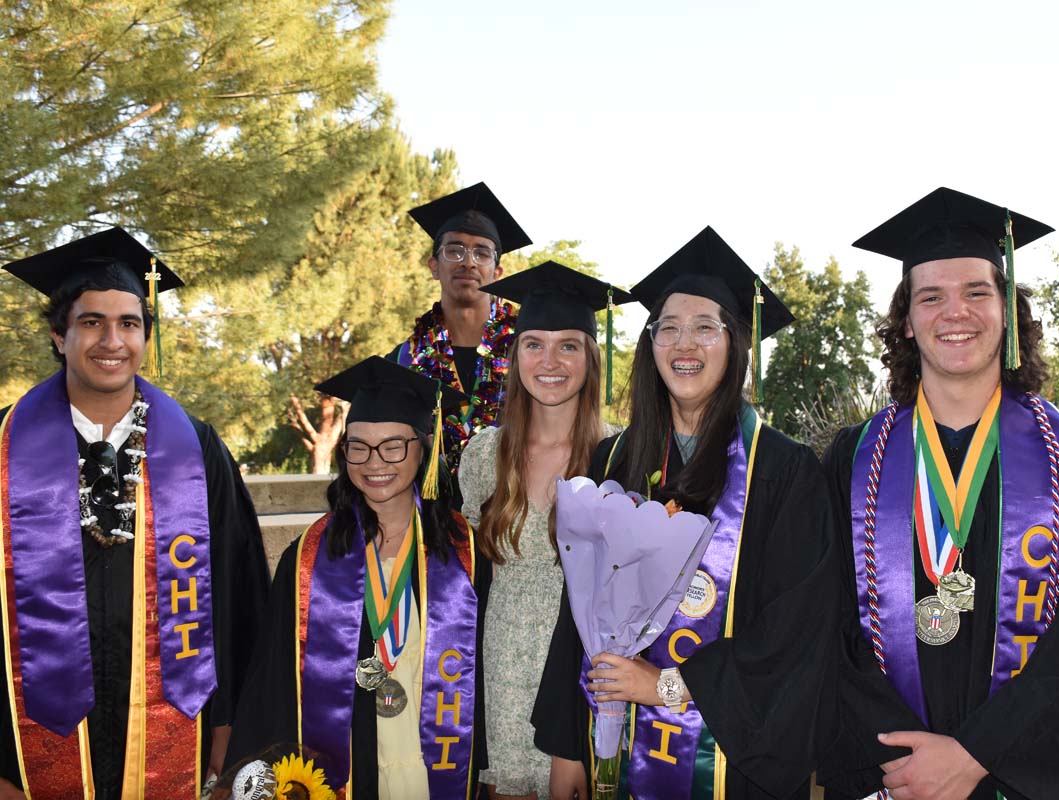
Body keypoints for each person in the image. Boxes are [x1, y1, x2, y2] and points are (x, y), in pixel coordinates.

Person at [817, 188, 1059, 800]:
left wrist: (975, 755)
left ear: (1008, 311)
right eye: (930, 296)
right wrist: (910, 757)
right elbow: (825, 628)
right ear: (907, 322)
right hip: (891, 772)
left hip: (1022, 776)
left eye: (976, 292)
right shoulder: (852, 463)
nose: (954, 312)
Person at [533, 227, 839, 800]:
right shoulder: (615, 458)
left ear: (737, 345)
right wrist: (568, 747)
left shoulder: (784, 470)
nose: (684, 344)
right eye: (667, 328)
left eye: (706, 327)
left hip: (732, 763)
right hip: (616, 748)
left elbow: (799, 630)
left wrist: (670, 686)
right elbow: (578, 611)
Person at [0, 228, 270, 798]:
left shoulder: (194, 448)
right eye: (91, 321)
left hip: (172, 722)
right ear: (58, 335)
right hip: (23, 736)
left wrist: (227, 723)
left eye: (129, 323)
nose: (111, 340)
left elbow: (236, 586)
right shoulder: (4, 445)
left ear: (147, 336)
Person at [227, 356, 492, 799]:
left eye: (393, 445)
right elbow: (271, 679)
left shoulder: (466, 553)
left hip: (439, 761)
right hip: (350, 769)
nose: (374, 462)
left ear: (423, 449)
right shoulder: (311, 557)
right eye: (358, 446)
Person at [458, 262, 633, 799]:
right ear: (514, 358)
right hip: (496, 679)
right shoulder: (485, 454)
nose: (550, 362)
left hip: (580, 684)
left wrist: (575, 743)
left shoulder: (621, 457)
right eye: (534, 344)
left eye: (569, 346)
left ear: (591, 358)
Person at [387, 182, 532, 473]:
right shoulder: (403, 362)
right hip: (430, 514)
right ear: (434, 266)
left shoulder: (529, 354)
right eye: (454, 251)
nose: (468, 262)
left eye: (482, 253)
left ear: (497, 272)